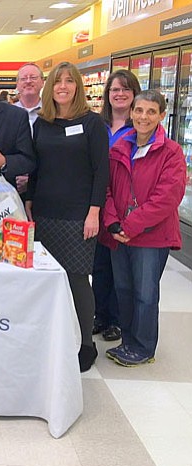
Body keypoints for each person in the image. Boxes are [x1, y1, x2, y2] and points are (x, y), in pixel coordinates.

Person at [25, 61, 109, 373]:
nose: (63, 86)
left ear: (77, 87)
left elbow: (102, 171)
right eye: (57, 81)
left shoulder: (92, 124)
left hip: (78, 215)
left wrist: (94, 212)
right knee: (48, 278)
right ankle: (54, 337)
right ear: (50, 87)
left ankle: (86, 344)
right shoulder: (42, 124)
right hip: (46, 213)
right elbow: (37, 166)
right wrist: (30, 200)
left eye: (69, 81)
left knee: (76, 279)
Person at [103, 89, 186, 367]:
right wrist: (113, 221)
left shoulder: (171, 153)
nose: (144, 117)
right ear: (131, 113)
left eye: (151, 112)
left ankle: (143, 347)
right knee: (124, 290)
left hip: (152, 237)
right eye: (139, 110)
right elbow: (107, 189)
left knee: (145, 294)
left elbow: (167, 198)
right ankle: (128, 342)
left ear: (162, 115)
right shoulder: (119, 147)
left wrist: (130, 225)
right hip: (120, 233)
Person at [93, 70, 142, 343]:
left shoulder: (139, 127)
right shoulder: (97, 125)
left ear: (134, 93)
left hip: (125, 207)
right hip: (99, 204)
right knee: (99, 264)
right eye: (114, 89)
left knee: (120, 269)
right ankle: (99, 314)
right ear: (107, 94)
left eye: (125, 89)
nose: (119, 94)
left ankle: (117, 320)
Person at [13, 63, 45, 195]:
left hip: (44, 185)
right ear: (17, 84)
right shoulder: (7, 115)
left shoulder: (53, 113)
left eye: (33, 77)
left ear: (42, 82)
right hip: (14, 187)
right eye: (23, 78)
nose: (28, 81)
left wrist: (31, 180)